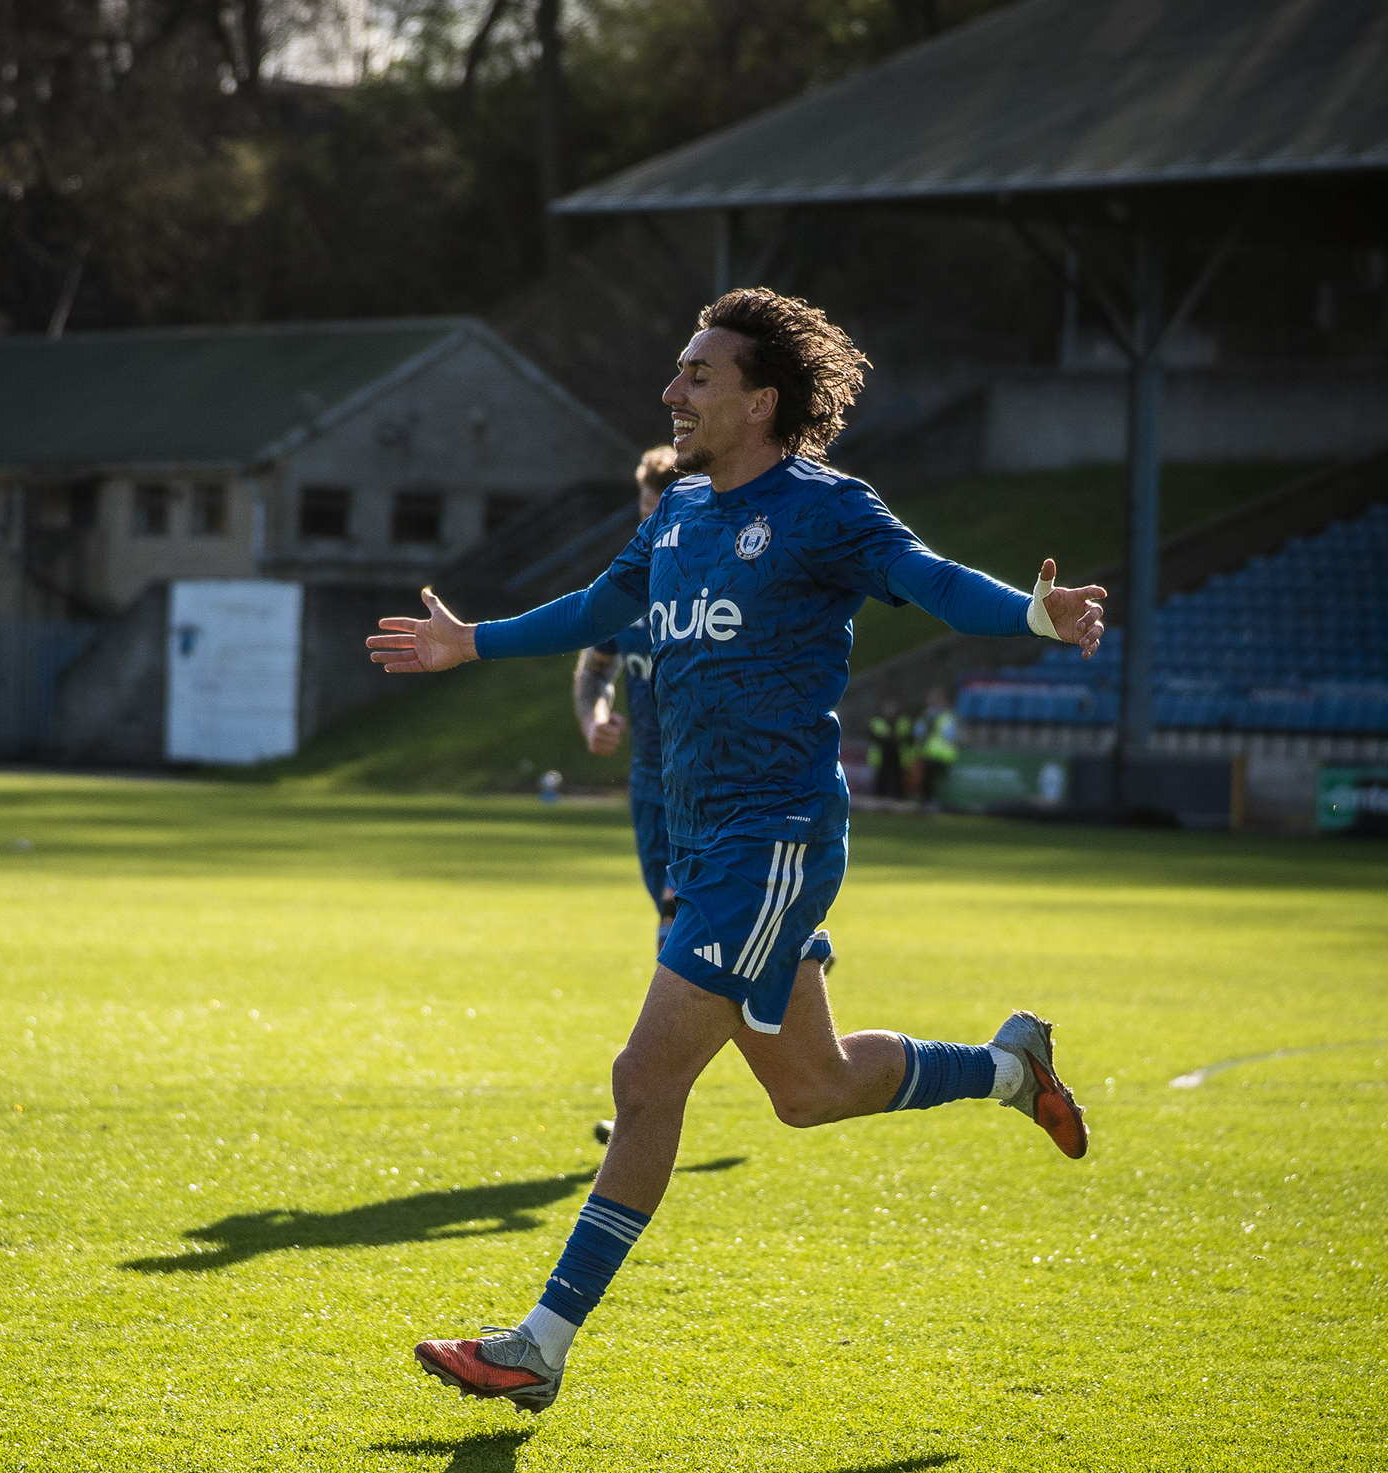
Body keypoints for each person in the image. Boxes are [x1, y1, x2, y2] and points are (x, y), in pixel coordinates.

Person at [366, 287, 1105, 1414]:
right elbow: (600, 607)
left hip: (771, 844)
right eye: (677, 372)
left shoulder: (827, 508)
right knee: (814, 1090)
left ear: (761, 401)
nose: (673, 391)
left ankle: (539, 1343)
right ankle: (1014, 1067)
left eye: (698, 376)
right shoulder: (679, 515)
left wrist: (1032, 618)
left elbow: (932, 580)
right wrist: (476, 640)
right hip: (714, 845)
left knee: (642, 1079)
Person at [575, 444, 680, 954]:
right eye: (643, 511)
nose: (649, 526)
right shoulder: (631, 589)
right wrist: (595, 721)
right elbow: (595, 672)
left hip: (717, 788)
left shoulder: (721, 591)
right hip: (648, 786)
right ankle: (793, 959)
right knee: (686, 929)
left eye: (658, 513)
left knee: (680, 923)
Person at [914, 685, 958, 809]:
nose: (934, 701)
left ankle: (930, 802)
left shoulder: (947, 716)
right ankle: (925, 800)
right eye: (932, 698)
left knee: (928, 770)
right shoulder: (925, 716)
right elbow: (917, 733)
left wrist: (933, 728)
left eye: (938, 699)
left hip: (943, 757)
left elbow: (950, 735)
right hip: (926, 755)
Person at [866, 695, 911, 800]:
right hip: (881, 758)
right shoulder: (876, 721)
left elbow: (905, 736)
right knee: (879, 784)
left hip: (898, 757)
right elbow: (878, 737)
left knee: (898, 785)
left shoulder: (903, 721)